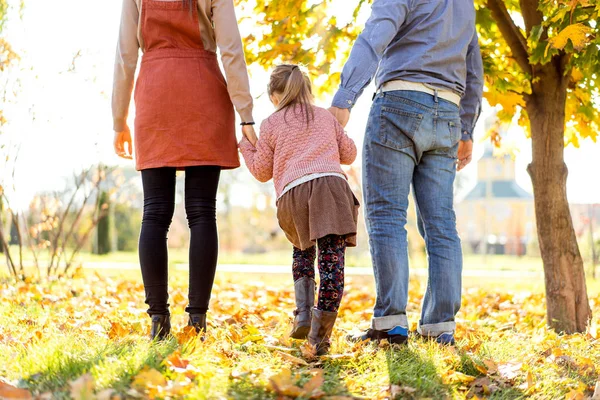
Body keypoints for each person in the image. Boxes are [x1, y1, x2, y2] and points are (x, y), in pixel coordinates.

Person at [329, 0, 484, 345]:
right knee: (441, 223)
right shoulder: (465, 5)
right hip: (447, 111)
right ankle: (440, 326)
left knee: (386, 217)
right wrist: (467, 129)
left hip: (399, 103)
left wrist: (344, 97)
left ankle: (391, 323)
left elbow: (374, 37)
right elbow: (474, 69)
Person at [111, 0, 257, 340]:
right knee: (202, 212)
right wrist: (245, 113)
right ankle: (197, 322)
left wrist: (119, 118)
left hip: (156, 93)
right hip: (204, 93)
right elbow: (232, 50)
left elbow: (125, 55)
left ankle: (158, 321)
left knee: (155, 212)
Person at [239, 64, 359, 355]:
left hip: (293, 194)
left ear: (276, 96)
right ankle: (319, 339)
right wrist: (334, 130)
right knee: (332, 267)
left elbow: (261, 171)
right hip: (330, 191)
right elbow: (350, 153)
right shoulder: (325, 117)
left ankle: (303, 314)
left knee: (302, 253)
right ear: (307, 90)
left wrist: (246, 144)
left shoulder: (270, 124)